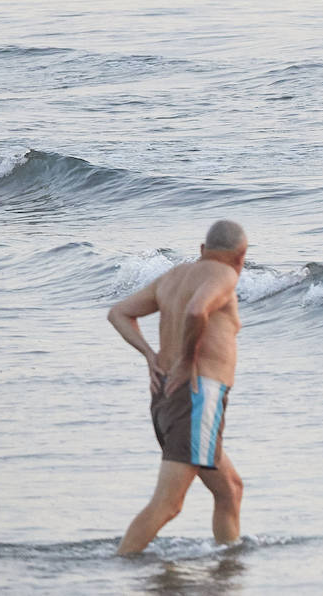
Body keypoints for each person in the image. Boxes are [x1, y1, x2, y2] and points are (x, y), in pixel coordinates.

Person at [108, 219, 248, 555]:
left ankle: (227, 568)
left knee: (230, 488)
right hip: (196, 398)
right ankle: (121, 568)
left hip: (169, 398)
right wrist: (187, 359)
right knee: (168, 504)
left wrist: (149, 354)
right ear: (240, 257)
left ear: (202, 250)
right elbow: (198, 310)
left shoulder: (171, 278)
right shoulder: (225, 273)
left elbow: (119, 313)